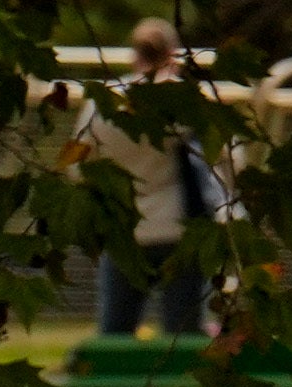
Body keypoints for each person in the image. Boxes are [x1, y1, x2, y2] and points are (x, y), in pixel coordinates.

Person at [85, 21, 216, 336]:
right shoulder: (183, 104)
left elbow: (82, 163)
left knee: (116, 330)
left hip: (125, 228)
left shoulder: (103, 104)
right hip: (177, 226)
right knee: (183, 332)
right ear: (173, 54)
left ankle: (114, 384)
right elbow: (216, 157)